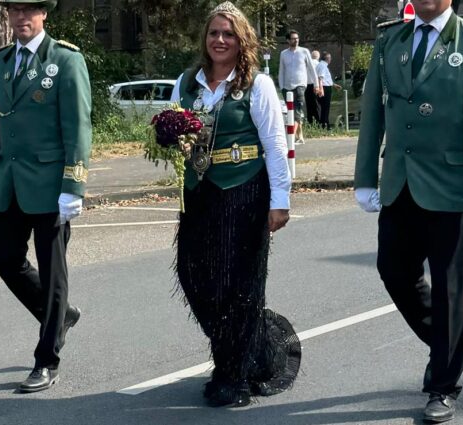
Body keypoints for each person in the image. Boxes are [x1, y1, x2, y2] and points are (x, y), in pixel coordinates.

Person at [353, 0, 463, 422]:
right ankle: (445, 345)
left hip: (455, 186)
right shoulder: (391, 40)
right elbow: (373, 113)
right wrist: (365, 176)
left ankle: (442, 385)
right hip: (400, 183)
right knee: (393, 271)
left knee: (449, 289)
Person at [169, 1, 301, 408]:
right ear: (204, 39)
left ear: (241, 39)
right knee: (194, 278)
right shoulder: (187, 83)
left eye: (228, 33)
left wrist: (280, 201)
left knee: (239, 286)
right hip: (199, 192)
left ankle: (233, 375)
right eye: (213, 33)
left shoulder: (256, 85)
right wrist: (166, 138)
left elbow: (276, 146)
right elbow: (173, 128)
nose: (220, 40)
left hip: (244, 189)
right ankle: (251, 352)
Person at [0, 0, 91, 393]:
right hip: (9, 181)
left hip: (50, 185)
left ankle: (47, 359)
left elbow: (78, 127)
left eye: (30, 10)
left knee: (53, 272)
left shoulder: (65, 60)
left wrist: (73, 186)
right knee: (4, 259)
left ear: (44, 15)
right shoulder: (1, 62)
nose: (21, 18)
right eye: (14, 11)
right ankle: (60, 316)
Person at [278, 30, 321, 144]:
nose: (296, 40)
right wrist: (282, 86)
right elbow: (281, 70)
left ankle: (290, 138)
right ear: (288, 40)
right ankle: (300, 136)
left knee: (297, 110)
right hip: (287, 86)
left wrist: (316, 85)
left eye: (297, 38)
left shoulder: (304, 51)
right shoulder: (284, 54)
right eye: (293, 38)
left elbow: (312, 69)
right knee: (290, 111)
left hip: (300, 85)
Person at [315, 51, 341, 130]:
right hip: (325, 88)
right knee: (325, 107)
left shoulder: (320, 65)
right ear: (327, 59)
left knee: (324, 107)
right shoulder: (323, 66)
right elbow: (320, 77)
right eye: (330, 58)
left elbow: (326, 78)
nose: (330, 60)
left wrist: (333, 84)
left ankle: (323, 124)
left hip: (325, 86)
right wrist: (321, 88)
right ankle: (325, 125)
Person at [305, 50, 322, 125]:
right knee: (316, 104)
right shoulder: (318, 64)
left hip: (307, 85)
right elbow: (320, 77)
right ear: (318, 57)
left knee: (309, 105)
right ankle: (318, 122)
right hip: (315, 85)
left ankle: (310, 122)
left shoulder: (307, 64)